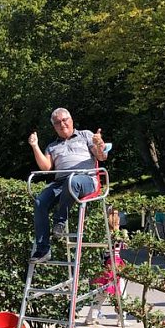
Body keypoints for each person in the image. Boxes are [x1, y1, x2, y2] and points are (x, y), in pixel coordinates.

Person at [28, 108, 108, 262]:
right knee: (39, 202)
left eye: (65, 120)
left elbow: (101, 157)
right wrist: (35, 146)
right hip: (61, 183)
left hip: (85, 180)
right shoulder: (52, 146)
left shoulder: (85, 135)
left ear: (71, 120)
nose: (62, 124)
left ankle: (60, 222)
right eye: (58, 122)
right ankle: (43, 249)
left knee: (73, 181)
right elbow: (45, 167)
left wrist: (99, 144)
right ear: (54, 127)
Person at [85, 207, 128, 325]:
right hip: (116, 262)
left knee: (102, 292)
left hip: (107, 262)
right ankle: (121, 319)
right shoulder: (118, 234)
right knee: (120, 292)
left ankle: (91, 317)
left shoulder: (104, 233)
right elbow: (124, 246)